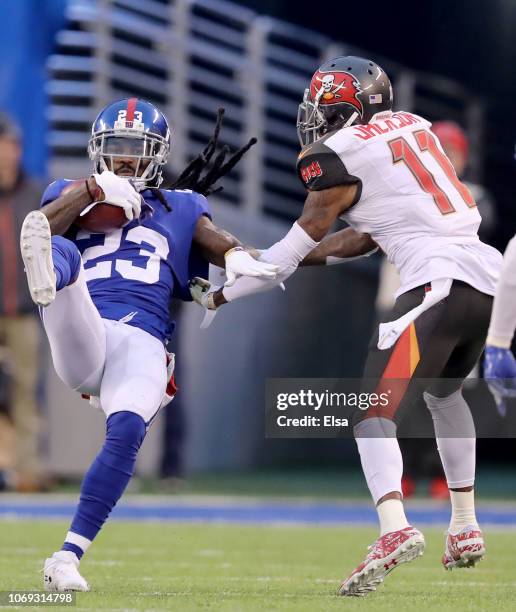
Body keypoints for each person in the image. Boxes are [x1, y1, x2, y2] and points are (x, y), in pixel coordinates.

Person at [20, 99, 372, 592]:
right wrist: (92, 190)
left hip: (141, 340)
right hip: (84, 323)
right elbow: (40, 226)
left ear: (157, 155)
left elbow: (218, 241)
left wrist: (237, 256)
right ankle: (48, 276)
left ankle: (67, 558)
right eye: (116, 151)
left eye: (135, 151)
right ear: (98, 152)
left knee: (125, 432)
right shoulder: (68, 194)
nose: (124, 161)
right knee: (57, 252)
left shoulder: (181, 205)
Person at [195, 56, 503, 596]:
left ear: (348, 109)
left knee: (371, 412)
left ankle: (393, 528)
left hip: (437, 283)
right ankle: (464, 524)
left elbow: (292, 252)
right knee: (444, 395)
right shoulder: (412, 127)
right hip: (486, 286)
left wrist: (224, 289)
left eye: (325, 110)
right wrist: (281, 256)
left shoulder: (341, 153)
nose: (315, 121)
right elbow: (363, 237)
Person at [0, 112, 48, 492]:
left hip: (24, 310)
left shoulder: (34, 193)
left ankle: (26, 472)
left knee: (26, 392)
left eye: (11, 146)